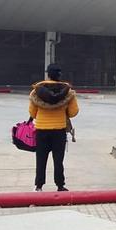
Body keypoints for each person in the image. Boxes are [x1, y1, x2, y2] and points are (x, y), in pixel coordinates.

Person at [29, 64, 79, 192]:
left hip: (41, 129)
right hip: (59, 129)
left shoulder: (36, 91)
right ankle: (60, 185)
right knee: (58, 160)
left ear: (48, 75)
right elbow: (74, 112)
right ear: (59, 75)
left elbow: (32, 113)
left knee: (41, 159)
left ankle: (39, 186)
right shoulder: (68, 92)